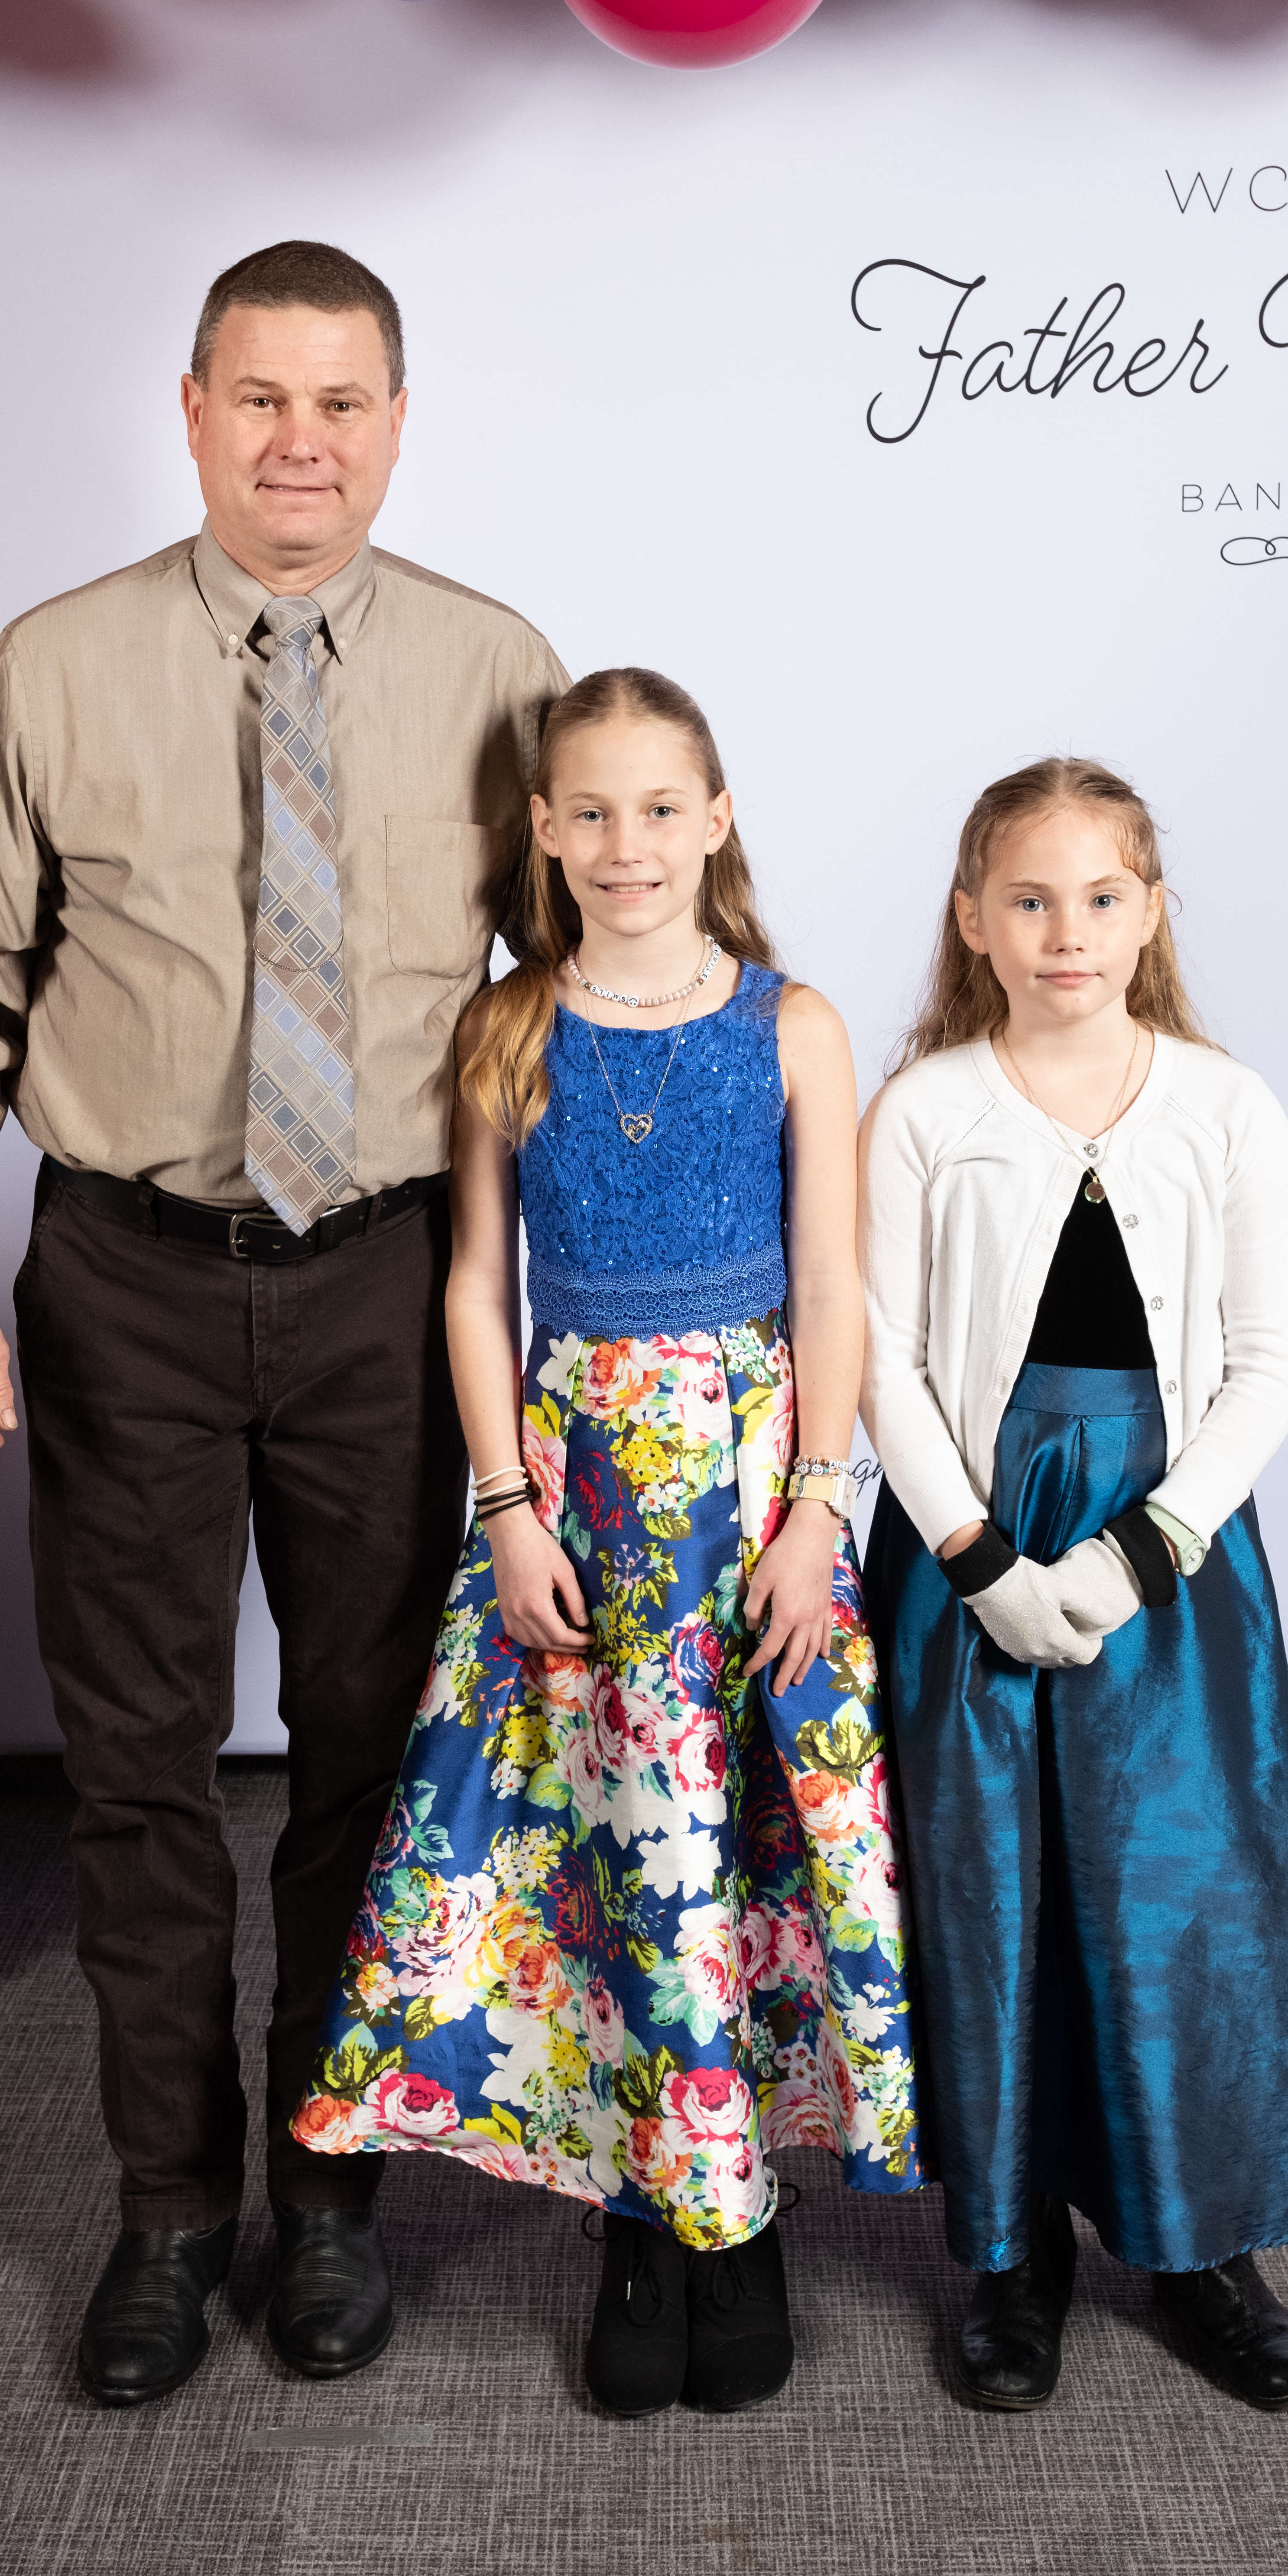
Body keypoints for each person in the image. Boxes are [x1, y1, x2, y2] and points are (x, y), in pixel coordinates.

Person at [0, 240, 568, 2408]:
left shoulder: (495, 669)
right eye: (258, 397)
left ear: (396, 422)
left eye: (340, 402)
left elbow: (585, 982)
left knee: (366, 1756)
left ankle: (329, 2193)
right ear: (189, 413)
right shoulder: (56, 662)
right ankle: (169, 2210)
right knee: (140, 1770)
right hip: (126, 1283)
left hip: (384, 1285)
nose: (298, 443)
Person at [295, 669, 923, 2421]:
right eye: (590, 810)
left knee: (739, 1844)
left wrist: (817, 1505)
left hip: (752, 1489)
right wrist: (504, 1506)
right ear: (544, 830)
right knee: (606, 1848)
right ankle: (646, 2215)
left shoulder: (791, 1023)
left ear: (715, 818)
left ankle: (742, 2221)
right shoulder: (508, 1027)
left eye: (659, 807)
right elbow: (473, 1285)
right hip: (576, 1490)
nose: (626, 841)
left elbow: (830, 1284)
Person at [858, 757, 1288, 2417]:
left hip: (1170, 1551)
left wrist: (1141, 1549)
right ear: (973, 919)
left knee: (1178, 1892)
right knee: (991, 1892)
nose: (1066, 930)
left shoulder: (1224, 1106)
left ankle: (1200, 2247)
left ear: (1149, 913)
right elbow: (882, 1362)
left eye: (1101, 896)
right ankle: (1011, 2254)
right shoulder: (924, 1112)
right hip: (973, 1545)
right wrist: (977, 1558)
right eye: (1030, 898)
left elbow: (1264, 1366)